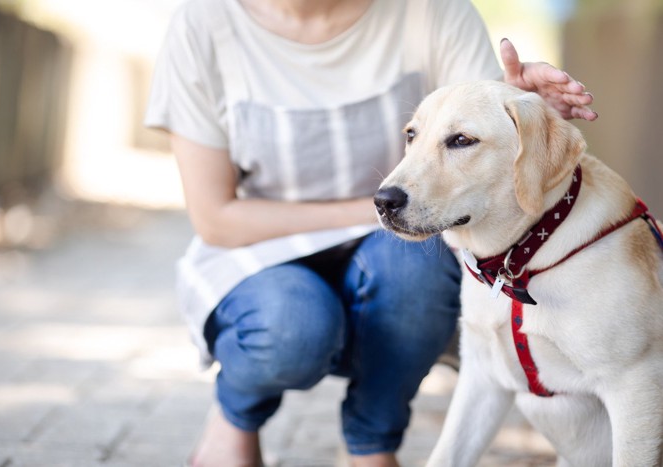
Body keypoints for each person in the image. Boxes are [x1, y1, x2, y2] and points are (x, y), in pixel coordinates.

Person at [144, 0, 596, 465]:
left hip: (397, 236)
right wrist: (376, 208)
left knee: (417, 275)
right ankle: (235, 414)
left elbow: (481, 126)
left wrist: (523, 109)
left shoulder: (431, 9)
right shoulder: (203, 24)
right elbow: (215, 218)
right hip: (257, 247)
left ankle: (372, 443)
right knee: (291, 329)